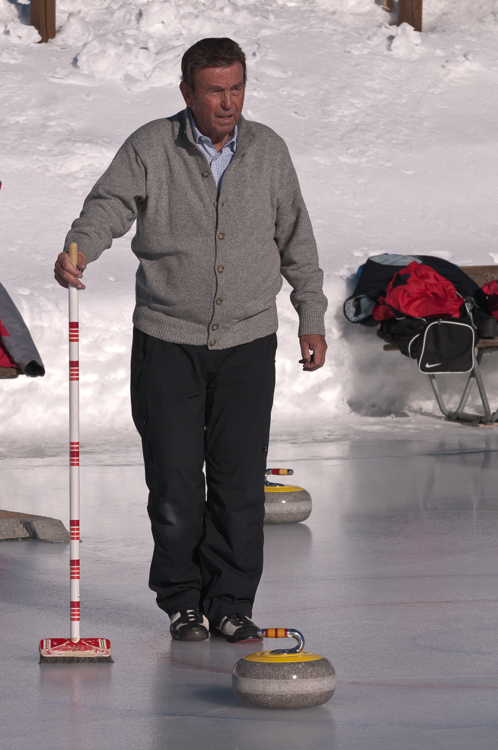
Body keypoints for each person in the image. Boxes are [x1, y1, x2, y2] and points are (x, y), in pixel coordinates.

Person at [54, 37, 328, 644]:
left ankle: (230, 601)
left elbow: (297, 239)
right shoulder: (152, 145)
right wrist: (80, 247)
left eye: (236, 89)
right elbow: (109, 205)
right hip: (167, 340)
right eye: (214, 91)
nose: (228, 103)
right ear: (187, 93)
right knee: (175, 484)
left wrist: (311, 314)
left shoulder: (269, 150)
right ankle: (183, 600)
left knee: (237, 482)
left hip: (248, 342)